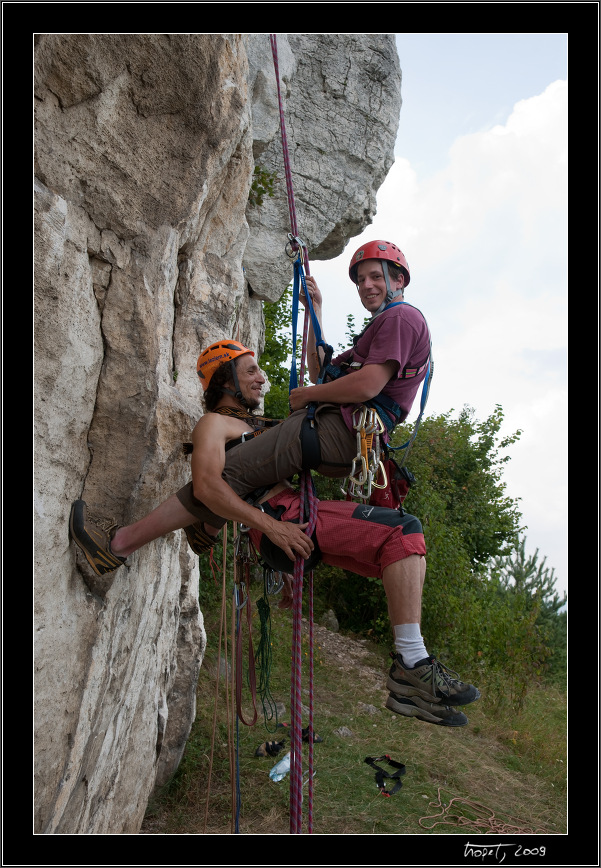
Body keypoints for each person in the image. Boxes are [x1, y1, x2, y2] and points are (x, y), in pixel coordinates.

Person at [71, 340, 480, 728]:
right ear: (224, 381)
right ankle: (411, 663)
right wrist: (271, 527)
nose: (262, 378)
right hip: (287, 519)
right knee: (402, 533)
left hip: (293, 522)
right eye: (250, 371)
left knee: (402, 559)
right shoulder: (213, 424)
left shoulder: (256, 426)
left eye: (260, 370)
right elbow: (207, 487)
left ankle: (408, 693)